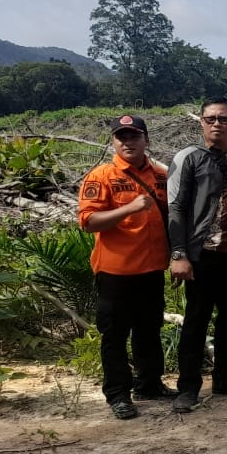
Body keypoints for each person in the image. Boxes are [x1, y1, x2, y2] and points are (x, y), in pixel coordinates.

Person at [78, 115, 173, 419]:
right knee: (115, 336)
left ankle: (149, 384)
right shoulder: (101, 176)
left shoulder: (162, 175)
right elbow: (88, 222)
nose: (128, 142)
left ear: (146, 140)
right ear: (113, 142)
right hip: (115, 272)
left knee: (149, 331)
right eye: (122, 137)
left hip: (152, 269)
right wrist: (129, 208)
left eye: (134, 136)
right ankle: (118, 394)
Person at [167, 97, 227, 413]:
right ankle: (188, 387)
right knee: (196, 320)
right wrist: (178, 253)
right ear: (201, 122)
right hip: (203, 253)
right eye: (211, 119)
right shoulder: (189, 157)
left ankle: (225, 377)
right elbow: (176, 207)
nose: (217, 124)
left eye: (224, 119)